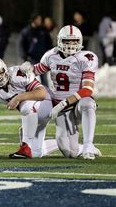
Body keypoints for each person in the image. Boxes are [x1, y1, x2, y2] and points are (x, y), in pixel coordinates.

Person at [20, 25, 100, 160]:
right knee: (70, 152)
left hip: (77, 103)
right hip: (61, 108)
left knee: (88, 103)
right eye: (67, 41)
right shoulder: (51, 55)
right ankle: (78, 147)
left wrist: (64, 103)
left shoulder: (86, 58)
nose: (71, 44)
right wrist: (27, 68)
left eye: (74, 41)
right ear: (59, 41)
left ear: (80, 41)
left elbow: (87, 89)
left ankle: (88, 145)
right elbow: (37, 70)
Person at [0, 56, 57, 159]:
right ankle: (61, 143)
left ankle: (25, 147)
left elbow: (42, 93)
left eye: (1, 71)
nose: (0, 77)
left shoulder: (17, 74)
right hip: (32, 115)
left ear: (5, 67)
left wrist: (19, 97)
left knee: (26, 106)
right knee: (35, 153)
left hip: (45, 103)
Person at [19, 14, 52, 87]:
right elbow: (21, 45)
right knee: (28, 77)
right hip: (30, 58)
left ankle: (46, 93)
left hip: (42, 58)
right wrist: (25, 56)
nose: (40, 21)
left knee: (44, 78)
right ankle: (27, 94)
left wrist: (48, 54)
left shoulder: (43, 30)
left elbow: (49, 43)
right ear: (33, 20)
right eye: (38, 19)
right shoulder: (26, 31)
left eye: (40, 19)